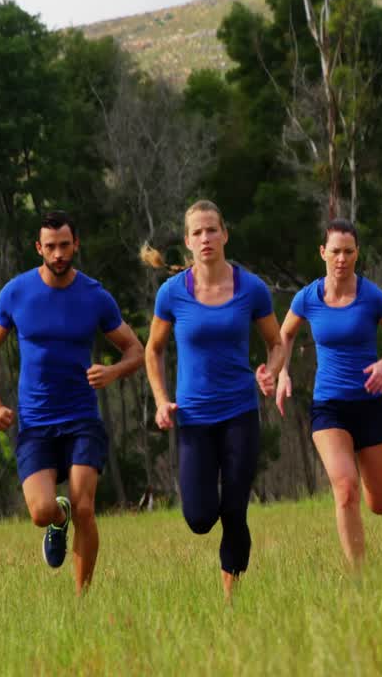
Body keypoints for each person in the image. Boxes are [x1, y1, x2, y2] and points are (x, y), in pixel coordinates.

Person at [0, 211, 143, 596]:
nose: (58, 254)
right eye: (50, 247)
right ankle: (58, 517)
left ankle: (81, 598)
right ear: (39, 248)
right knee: (40, 512)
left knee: (86, 507)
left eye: (64, 246)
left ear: (76, 245)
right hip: (36, 423)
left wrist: (113, 372)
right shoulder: (16, 293)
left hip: (82, 418)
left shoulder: (94, 296)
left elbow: (135, 349)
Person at [143, 200, 285, 601]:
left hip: (240, 411)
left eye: (212, 230)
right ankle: (224, 547)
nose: (206, 238)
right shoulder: (172, 294)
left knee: (235, 508)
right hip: (194, 418)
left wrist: (270, 370)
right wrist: (160, 400)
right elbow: (152, 350)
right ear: (187, 242)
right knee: (201, 518)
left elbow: (276, 343)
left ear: (225, 234)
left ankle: (230, 597)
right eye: (197, 232)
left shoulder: (251, 289)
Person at [275, 219, 382, 570]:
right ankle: (359, 575)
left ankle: (371, 491)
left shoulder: (371, 296)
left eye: (348, 252)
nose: (341, 259)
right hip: (329, 406)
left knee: (379, 503)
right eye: (334, 251)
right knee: (345, 487)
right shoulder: (307, 297)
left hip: (372, 404)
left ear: (357, 254)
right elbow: (284, 336)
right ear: (323, 253)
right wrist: (283, 372)